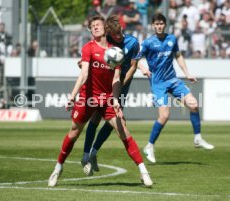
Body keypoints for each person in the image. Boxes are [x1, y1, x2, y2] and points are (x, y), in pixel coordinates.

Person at [48, 15, 153, 187]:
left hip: (106, 99)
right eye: (92, 26)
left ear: (105, 27)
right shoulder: (88, 48)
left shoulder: (115, 52)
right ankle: (58, 169)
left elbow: (116, 79)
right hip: (87, 98)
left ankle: (143, 171)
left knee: (123, 130)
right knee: (74, 133)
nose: (95, 27)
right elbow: (84, 74)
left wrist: (116, 99)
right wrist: (72, 96)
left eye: (98, 24)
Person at [136, 13, 214, 164]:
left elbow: (178, 56)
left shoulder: (172, 39)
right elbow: (135, 59)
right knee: (165, 116)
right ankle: (149, 146)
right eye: (156, 24)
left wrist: (187, 74)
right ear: (153, 25)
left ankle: (197, 138)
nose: (159, 26)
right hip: (158, 83)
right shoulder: (148, 43)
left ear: (165, 25)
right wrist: (143, 69)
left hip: (173, 79)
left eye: (161, 24)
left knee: (194, 104)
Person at [81, 15, 151, 176]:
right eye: (115, 35)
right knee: (96, 119)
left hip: (122, 84)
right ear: (110, 34)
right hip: (105, 84)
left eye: (120, 33)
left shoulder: (132, 42)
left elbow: (133, 66)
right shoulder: (108, 43)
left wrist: (121, 85)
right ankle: (88, 154)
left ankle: (92, 152)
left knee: (116, 121)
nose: (118, 36)